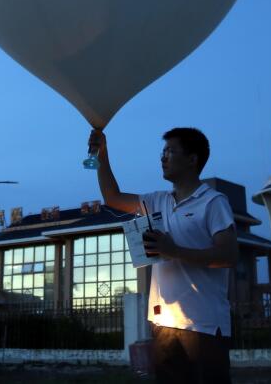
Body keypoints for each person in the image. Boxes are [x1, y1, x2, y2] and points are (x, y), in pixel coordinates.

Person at [91, 127, 237, 384]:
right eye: (163, 151)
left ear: (193, 159)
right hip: (164, 326)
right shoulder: (158, 201)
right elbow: (112, 197)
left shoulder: (213, 202)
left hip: (203, 327)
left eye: (171, 151)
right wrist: (102, 153)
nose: (163, 157)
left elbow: (228, 255)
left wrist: (175, 251)